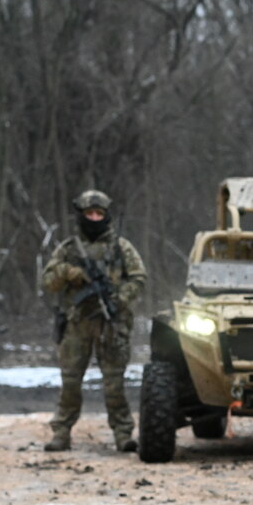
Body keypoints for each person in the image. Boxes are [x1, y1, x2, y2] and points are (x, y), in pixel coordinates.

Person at [40, 189, 147, 453]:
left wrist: (119, 299)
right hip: (77, 324)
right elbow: (48, 281)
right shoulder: (68, 250)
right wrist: (70, 272)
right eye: (90, 213)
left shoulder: (121, 248)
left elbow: (138, 278)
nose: (95, 218)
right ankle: (62, 432)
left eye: (99, 213)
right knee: (71, 382)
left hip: (111, 324)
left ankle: (123, 434)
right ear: (81, 216)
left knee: (114, 384)